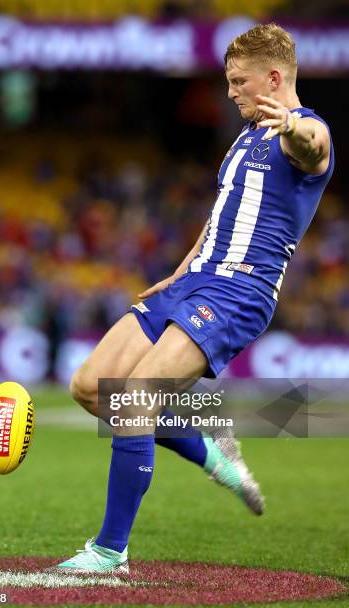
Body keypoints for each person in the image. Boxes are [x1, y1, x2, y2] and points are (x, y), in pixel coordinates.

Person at [55, 23, 334, 575]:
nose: (229, 92)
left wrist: (297, 124)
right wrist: (176, 274)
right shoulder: (244, 138)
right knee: (90, 388)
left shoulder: (301, 132)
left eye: (238, 82)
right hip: (193, 281)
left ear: (273, 79)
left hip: (239, 292)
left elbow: (314, 147)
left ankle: (110, 551)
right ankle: (211, 449)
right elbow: (222, 219)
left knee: (135, 399)